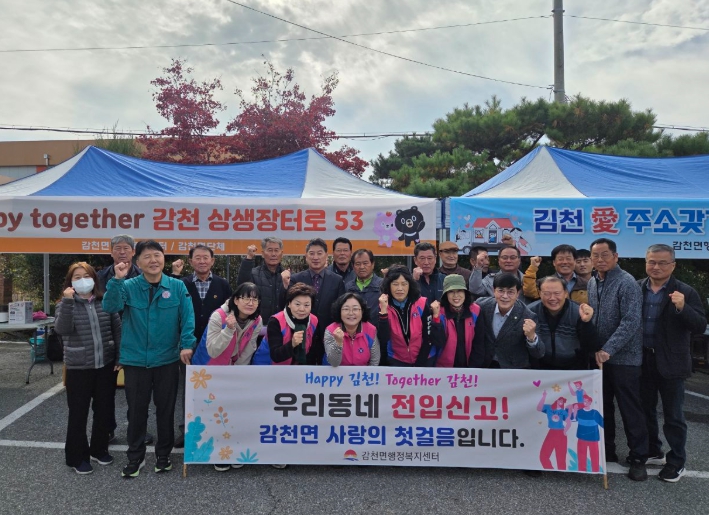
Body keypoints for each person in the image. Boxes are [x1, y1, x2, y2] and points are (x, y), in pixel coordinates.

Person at [103, 240, 196, 479]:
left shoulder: (177, 286)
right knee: (137, 411)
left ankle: (163, 455)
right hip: (136, 360)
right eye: (147, 256)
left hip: (167, 359)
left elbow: (187, 318)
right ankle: (135, 456)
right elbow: (110, 306)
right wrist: (116, 280)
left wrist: (187, 345)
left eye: (157, 255)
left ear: (163, 258)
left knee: (165, 410)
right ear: (138, 262)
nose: (153, 260)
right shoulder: (128, 285)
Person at [638, 244, 706, 482]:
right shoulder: (637, 287)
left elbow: (699, 325)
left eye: (662, 263)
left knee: (673, 415)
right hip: (643, 359)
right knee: (645, 409)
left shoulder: (685, 291)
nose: (656, 267)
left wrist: (682, 307)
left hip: (672, 362)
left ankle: (677, 461)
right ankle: (653, 450)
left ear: (673, 265)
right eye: (651, 262)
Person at [587, 237, 649, 481]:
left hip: (624, 359)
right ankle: (607, 450)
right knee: (603, 407)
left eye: (605, 255)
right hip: (600, 357)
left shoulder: (627, 282)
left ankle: (638, 457)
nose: (600, 259)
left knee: (630, 408)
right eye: (595, 255)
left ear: (615, 256)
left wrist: (609, 348)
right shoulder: (593, 281)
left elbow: (631, 321)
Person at [55, 262, 121, 475]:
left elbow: (117, 330)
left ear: (94, 279)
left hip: (106, 365)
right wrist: (67, 301)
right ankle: (76, 457)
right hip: (78, 367)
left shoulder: (105, 302)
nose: (83, 280)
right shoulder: (65, 304)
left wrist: (119, 356)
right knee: (78, 413)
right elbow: (62, 329)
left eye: (86, 276)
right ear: (70, 282)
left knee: (104, 410)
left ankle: (99, 449)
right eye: (77, 277)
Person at [197, 283, 262, 472]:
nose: (250, 303)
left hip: (234, 368)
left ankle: (233, 450)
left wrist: (236, 374)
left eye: (255, 299)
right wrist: (228, 330)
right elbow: (213, 350)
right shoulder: (219, 316)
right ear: (236, 300)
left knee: (233, 410)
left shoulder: (256, 320)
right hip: (210, 368)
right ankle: (217, 453)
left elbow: (249, 348)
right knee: (214, 411)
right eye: (246, 298)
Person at [172, 244, 232, 449]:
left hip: (215, 345)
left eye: (206, 257)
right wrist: (183, 342)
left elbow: (230, 313)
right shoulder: (182, 283)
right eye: (197, 258)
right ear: (190, 261)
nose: (202, 261)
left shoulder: (223, 285)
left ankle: (214, 428)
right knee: (190, 387)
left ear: (212, 261)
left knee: (215, 386)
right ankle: (186, 429)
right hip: (188, 343)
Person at [96, 234, 149, 445]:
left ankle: (137, 430)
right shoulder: (100, 277)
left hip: (137, 338)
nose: (122, 252)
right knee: (105, 390)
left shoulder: (144, 275)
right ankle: (106, 429)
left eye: (126, 248)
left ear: (133, 252)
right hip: (107, 338)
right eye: (117, 248)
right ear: (111, 252)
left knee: (138, 391)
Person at [288, 238, 345, 364]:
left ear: (326, 256)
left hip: (329, 335)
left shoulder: (337, 280)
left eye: (319, 253)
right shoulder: (296, 279)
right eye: (312, 253)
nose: (315, 257)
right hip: (302, 334)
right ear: (306, 256)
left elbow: (340, 309)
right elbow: (289, 308)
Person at [527, 276, 599, 371]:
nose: (552, 298)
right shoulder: (530, 311)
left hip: (573, 367)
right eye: (547, 294)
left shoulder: (578, 311)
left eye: (557, 293)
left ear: (565, 293)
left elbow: (591, 346)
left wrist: (586, 322)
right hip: (540, 367)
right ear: (540, 293)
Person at [377, 265, 443, 367]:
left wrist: (419, 364)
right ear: (388, 286)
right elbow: (384, 338)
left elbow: (428, 337)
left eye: (404, 284)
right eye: (395, 284)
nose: (400, 288)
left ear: (410, 285)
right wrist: (384, 312)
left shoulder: (421, 304)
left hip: (425, 358)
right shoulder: (383, 306)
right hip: (397, 360)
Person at [474, 273, 544, 369]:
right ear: (494, 291)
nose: (505, 296)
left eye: (510, 292)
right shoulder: (481, 306)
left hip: (513, 369)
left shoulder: (528, 316)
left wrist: (532, 338)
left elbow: (539, 353)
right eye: (501, 291)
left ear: (518, 293)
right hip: (484, 365)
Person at [434, 274, 485, 368]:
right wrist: (436, 319)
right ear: (445, 294)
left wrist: (473, 368)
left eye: (459, 291)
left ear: (465, 292)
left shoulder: (476, 310)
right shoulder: (438, 312)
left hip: (469, 368)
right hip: (443, 369)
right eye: (451, 292)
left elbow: (479, 343)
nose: (456, 295)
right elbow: (437, 342)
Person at [263, 282, 319, 365]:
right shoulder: (276, 321)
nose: (302, 309)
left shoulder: (314, 320)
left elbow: (312, 352)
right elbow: (275, 355)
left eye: (306, 305)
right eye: (297, 304)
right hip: (267, 365)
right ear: (289, 303)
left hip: (295, 368)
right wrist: (292, 344)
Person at [237, 237, 289, 323]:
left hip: (281, 325)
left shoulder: (288, 276)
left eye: (276, 250)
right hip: (256, 325)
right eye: (270, 250)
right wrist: (249, 258)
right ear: (263, 254)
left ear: (282, 253)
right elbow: (242, 287)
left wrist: (286, 285)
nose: (273, 254)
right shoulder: (254, 274)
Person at [323, 292, 380, 366]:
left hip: (362, 372)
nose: (351, 313)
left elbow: (374, 362)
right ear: (339, 311)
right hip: (335, 372)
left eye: (355, 309)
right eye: (346, 309)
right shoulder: (331, 330)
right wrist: (338, 343)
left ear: (362, 311)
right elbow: (334, 363)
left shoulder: (371, 330)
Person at [523, 244, 588, 304]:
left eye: (568, 259)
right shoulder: (544, 282)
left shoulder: (586, 284)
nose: (565, 262)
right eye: (560, 259)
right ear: (554, 262)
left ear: (575, 261)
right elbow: (530, 292)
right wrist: (533, 267)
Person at [345, 249, 383, 330]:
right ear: (353, 266)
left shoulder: (382, 285)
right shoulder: (347, 287)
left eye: (365, 263)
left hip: (377, 332)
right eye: (358, 264)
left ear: (372, 264)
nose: (362, 267)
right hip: (353, 331)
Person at [537, 390, 571, 471]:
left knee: (561, 458)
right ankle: (550, 470)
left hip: (561, 433)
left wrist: (565, 431)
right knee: (543, 456)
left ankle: (562, 474)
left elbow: (568, 422)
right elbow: (539, 408)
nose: (561, 402)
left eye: (562, 401)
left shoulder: (563, 412)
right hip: (551, 432)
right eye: (560, 400)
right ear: (557, 400)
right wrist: (544, 396)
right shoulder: (549, 408)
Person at [575, 393, 605, 473]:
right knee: (581, 456)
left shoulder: (595, 413)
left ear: (590, 402)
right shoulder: (579, 412)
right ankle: (581, 471)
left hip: (593, 438)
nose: (585, 402)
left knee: (595, 456)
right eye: (584, 401)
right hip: (581, 438)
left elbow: (603, 423)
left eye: (587, 401)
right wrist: (574, 410)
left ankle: (596, 470)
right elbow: (573, 419)